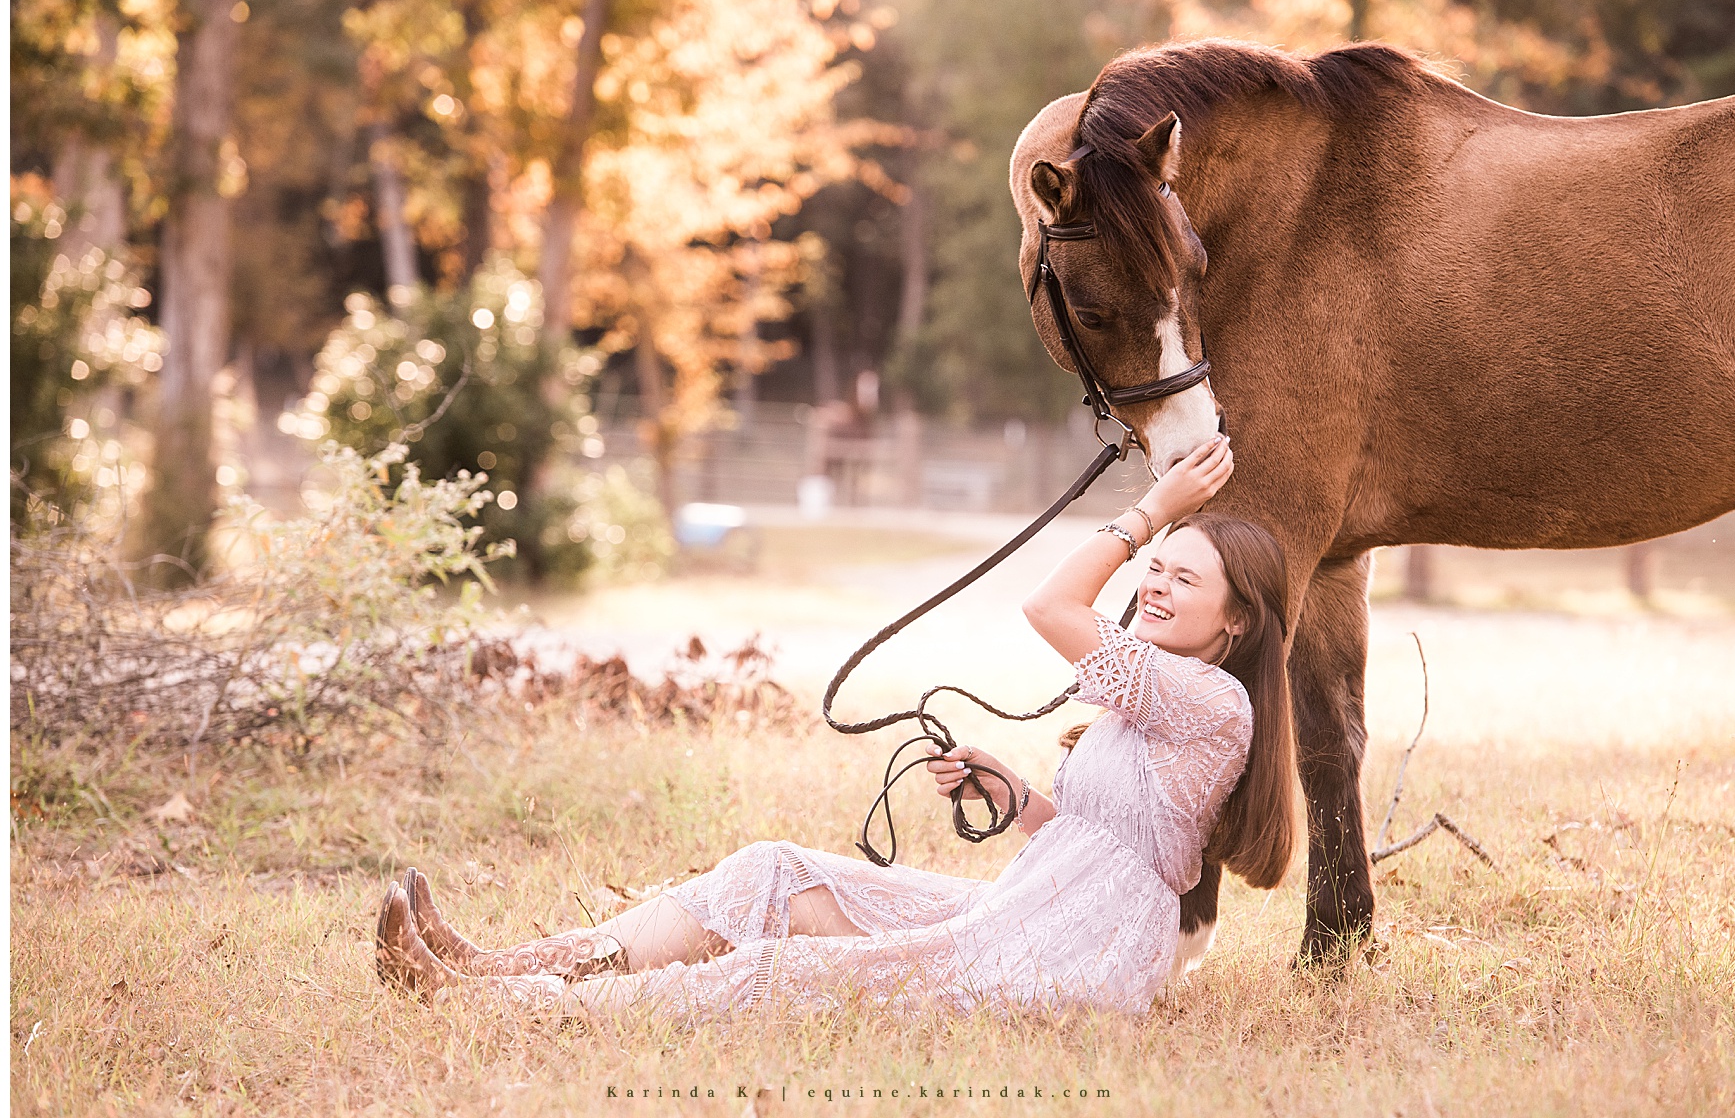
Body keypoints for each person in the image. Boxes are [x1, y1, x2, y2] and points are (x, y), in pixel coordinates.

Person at [374, 433, 1297, 1020]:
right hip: (1032, 907)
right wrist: (1015, 795)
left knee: (786, 973)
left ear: (1237, 620)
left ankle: (512, 1007)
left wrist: (1150, 513)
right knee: (774, 870)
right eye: (1159, 569)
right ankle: (506, 964)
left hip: (1077, 954)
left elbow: (1051, 603)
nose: (1160, 585)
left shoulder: (1217, 703)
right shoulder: (1156, 693)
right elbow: (1103, 842)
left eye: (1187, 577)